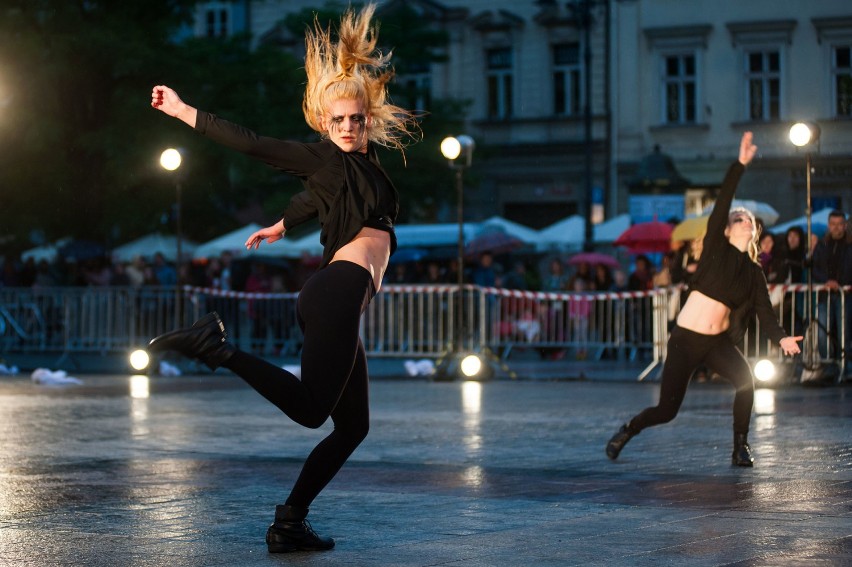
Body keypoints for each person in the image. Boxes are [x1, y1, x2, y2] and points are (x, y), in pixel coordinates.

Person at [146, 4, 417, 553]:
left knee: (352, 427)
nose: (346, 127)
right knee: (313, 410)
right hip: (338, 292)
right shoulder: (324, 157)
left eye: (355, 119)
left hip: (340, 297)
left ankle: (290, 522)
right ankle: (215, 349)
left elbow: (317, 199)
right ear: (323, 122)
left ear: (368, 119)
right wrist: (181, 112)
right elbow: (251, 142)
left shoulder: (357, 169)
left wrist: (281, 223)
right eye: (337, 120)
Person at [605, 132, 802, 467]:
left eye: (749, 221)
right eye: (739, 219)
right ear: (726, 229)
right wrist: (739, 165)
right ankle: (629, 428)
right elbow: (724, 200)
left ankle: (740, 445)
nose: (745, 221)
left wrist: (781, 336)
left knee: (746, 382)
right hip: (684, 340)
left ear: (754, 231)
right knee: (667, 411)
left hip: (716, 343)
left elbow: (763, 311)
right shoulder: (715, 249)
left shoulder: (753, 272)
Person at [811, 210, 852, 365]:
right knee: (823, 332)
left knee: (844, 332)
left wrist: (839, 282)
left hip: (845, 295)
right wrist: (827, 281)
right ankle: (827, 363)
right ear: (829, 225)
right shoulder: (822, 245)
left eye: (840, 224)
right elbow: (814, 268)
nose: (837, 228)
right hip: (825, 294)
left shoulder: (849, 245)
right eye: (833, 224)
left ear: (845, 225)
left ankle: (845, 365)